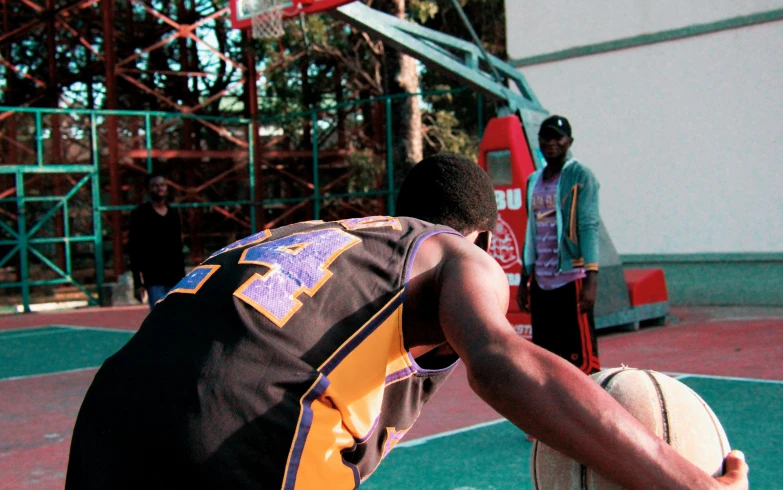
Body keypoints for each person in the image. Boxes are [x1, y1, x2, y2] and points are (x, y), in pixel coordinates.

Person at [66, 153, 748, 490]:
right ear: (478, 234)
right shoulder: (455, 254)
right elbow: (502, 365)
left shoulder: (302, 232)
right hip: (234, 428)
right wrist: (680, 480)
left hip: (107, 414)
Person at [517, 115, 601, 375]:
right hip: (541, 281)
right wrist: (524, 280)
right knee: (546, 359)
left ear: (569, 142)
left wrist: (591, 280)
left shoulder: (580, 175)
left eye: (558, 138)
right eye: (546, 138)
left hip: (571, 278)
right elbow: (530, 230)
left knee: (581, 363)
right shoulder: (534, 180)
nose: (551, 143)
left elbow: (588, 225)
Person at [128, 172, 186, 309]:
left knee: (177, 318)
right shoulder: (139, 215)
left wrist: (185, 280)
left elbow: (178, 248)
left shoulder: (173, 214)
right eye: (155, 186)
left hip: (175, 278)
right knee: (159, 320)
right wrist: (138, 283)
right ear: (148, 189)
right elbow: (134, 250)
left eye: (162, 185)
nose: (159, 188)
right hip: (154, 279)